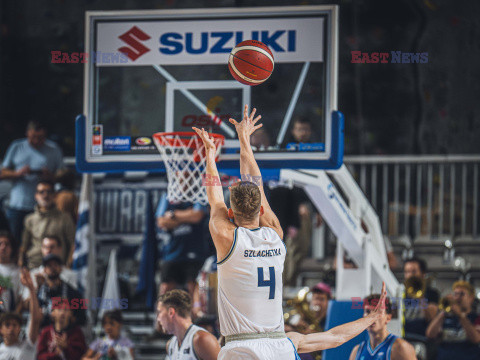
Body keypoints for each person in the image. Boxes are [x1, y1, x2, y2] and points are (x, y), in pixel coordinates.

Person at [193, 105, 294, 358]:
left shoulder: (226, 237)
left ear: (230, 214)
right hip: (278, 344)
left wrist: (209, 154)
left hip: (243, 346)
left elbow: (215, 196)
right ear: (261, 210)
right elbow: (255, 181)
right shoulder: (275, 232)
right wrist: (244, 140)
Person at [0, 120, 63, 244]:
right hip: (18, 205)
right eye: (33, 137)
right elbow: (2, 174)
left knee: (40, 243)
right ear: (27, 134)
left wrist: (50, 176)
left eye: (41, 138)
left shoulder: (54, 149)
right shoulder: (17, 147)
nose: (36, 141)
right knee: (15, 242)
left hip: (43, 207)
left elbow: (64, 176)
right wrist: (18, 173)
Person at [156, 193, 210, 298]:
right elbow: (161, 221)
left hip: (194, 251)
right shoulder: (167, 196)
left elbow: (197, 216)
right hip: (173, 251)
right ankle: (162, 313)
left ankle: (192, 314)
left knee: (193, 290)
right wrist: (187, 214)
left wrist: (173, 215)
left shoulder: (198, 194)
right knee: (165, 289)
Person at [19, 180, 76, 269]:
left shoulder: (65, 218)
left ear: (55, 196)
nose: (45, 195)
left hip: (57, 267)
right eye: (41, 192)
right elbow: (24, 246)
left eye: (49, 192)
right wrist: (21, 265)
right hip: (34, 265)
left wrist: (68, 265)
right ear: (36, 196)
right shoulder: (30, 219)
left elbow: (74, 244)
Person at [349, 294, 418, 360]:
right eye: (368, 311)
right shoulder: (357, 351)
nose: (372, 317)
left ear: (388, 317)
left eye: (377, 312)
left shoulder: (401, 348)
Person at [157, 289, 220, 360]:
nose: (158, 318)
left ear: (171, 312)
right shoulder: (170, 345)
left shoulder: (202, 340)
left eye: (160, 312)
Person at [426, 281, 480, 360]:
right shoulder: (445, 317)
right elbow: (430, 334)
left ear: (471, 298)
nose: (457, 297)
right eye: (455, 294)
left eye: (461, 294)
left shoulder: (476, 318)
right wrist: (443, 312)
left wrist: (460, 315)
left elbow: (476, 339)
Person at [0, 268, 42, 360]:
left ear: (19, 328)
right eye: (7, 325)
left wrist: (31, 289)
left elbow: (35, 320)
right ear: (1, 329)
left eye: (15, 325)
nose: (11, 328)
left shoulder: (28, 344)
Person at [36, 254, 86, 328]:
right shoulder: (39, 293)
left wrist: (70, 317)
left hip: (68, 334)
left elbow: (83, 319)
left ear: (61, 268)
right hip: (45, 333)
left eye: (55, 265)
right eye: (49, 265)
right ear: (44, 270)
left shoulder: (73, 293)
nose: (53, 268)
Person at [403, 257, 439, 338]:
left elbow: (431, 318)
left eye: (414, 271)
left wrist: (421, 296)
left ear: (423, 274)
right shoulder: (400, 293)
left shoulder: (432, 293)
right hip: (402, 336)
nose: (410, 275)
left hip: (422, 338)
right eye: (407, 272)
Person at [0, 231, 24, 312]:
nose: (3, 247)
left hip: (10, 315)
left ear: (12, 248)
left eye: (6, 244)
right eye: (0, 243)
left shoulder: (20, 272)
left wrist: (14, 316)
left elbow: (22, 298)